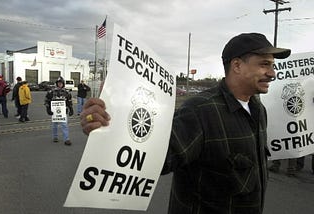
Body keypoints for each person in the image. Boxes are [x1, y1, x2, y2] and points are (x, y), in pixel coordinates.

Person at [79, 33, 291, 214]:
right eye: (264, 64)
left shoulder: (258, 109)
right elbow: (155, 160)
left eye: (272, 65)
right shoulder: (200, 111)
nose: (272, 73)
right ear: (236, 65)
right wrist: (105, 128)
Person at [45, 76, 73, 145]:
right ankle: (55, 137)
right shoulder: (51, 92)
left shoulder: (66, 92)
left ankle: (66, 139)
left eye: (61, 83)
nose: (60, 84)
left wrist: (71, 109)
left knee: (64, 125)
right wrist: (48, 109)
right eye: (59, 83)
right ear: (56, 83)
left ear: (63, 84)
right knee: (55, 125)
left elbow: (69, 101)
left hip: (63, 112)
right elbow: (46, 101)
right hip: (54, 112)